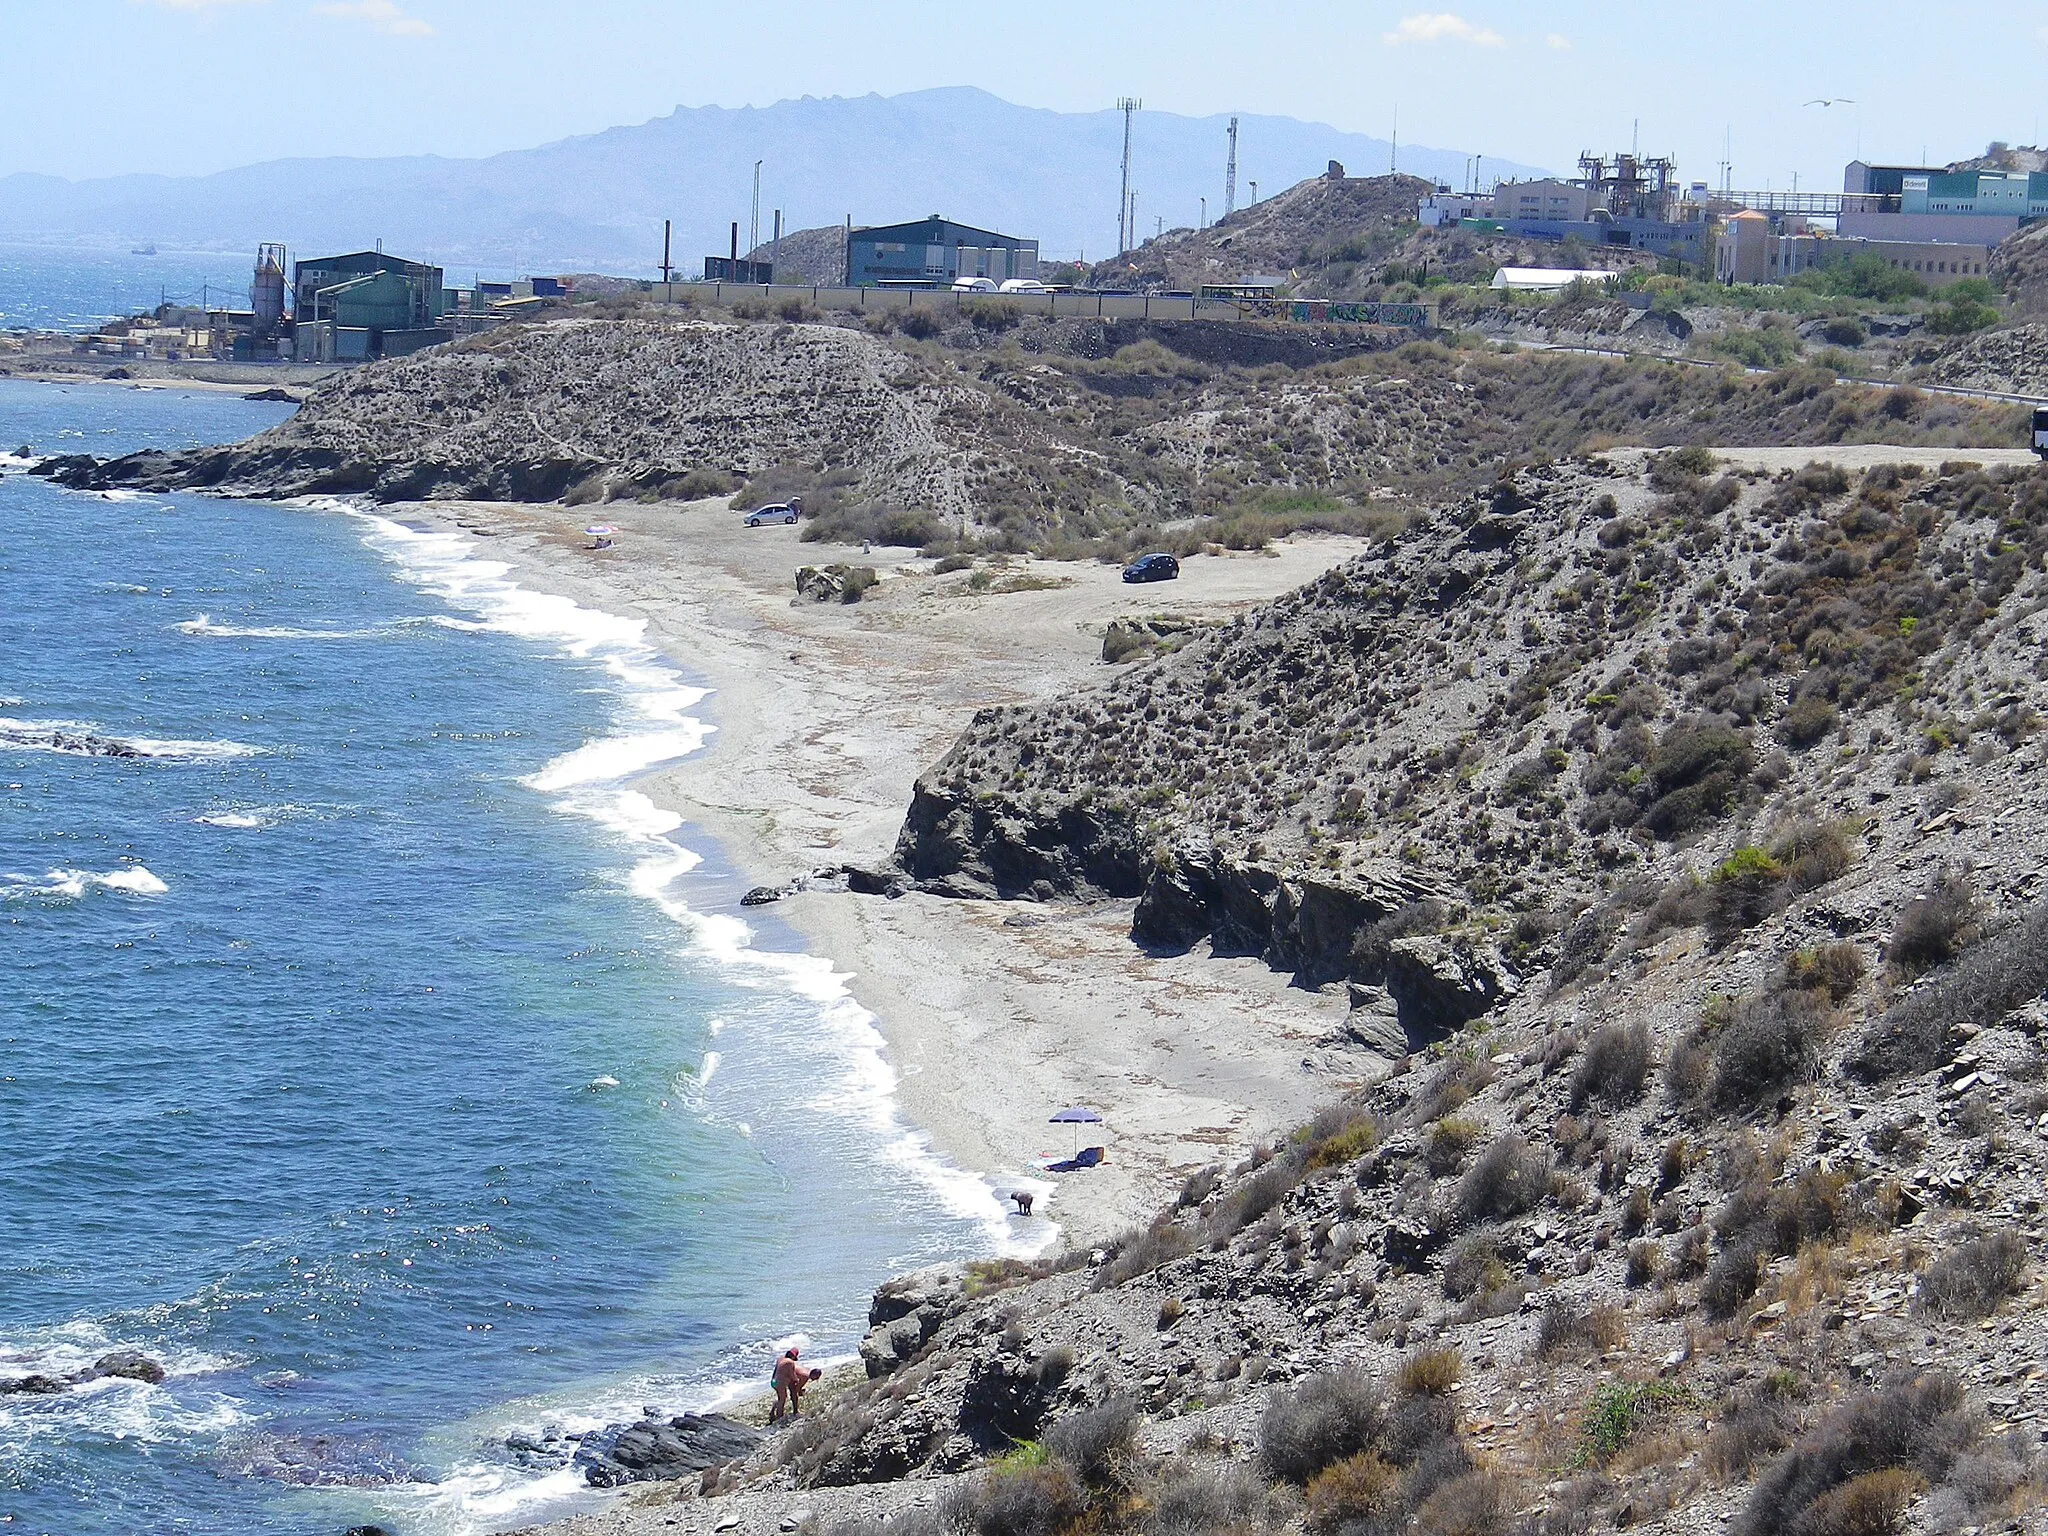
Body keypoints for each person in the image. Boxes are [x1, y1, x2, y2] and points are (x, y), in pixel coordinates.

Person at [769, 1346, 822, 1422]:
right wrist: (798, 1385)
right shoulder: (791, 1364)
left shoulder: (781, 1359)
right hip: (780, 1382)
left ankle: (773, 1412)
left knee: (781, 1397)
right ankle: (779, 1417)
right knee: (783, 1399)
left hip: (773, 1381)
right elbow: (792, 1375)